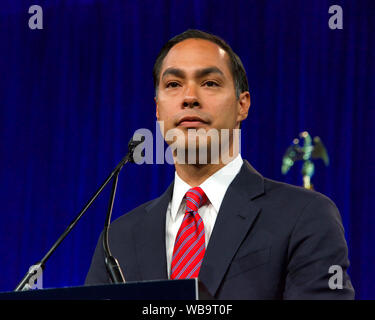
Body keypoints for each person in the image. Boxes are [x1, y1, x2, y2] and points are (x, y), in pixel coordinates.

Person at [85, 29, 354, 299]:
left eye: (209, 83)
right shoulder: (117, 239)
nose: (189, 97)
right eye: (173, 84)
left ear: (242, 105)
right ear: (157, 110)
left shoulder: (305, 215)